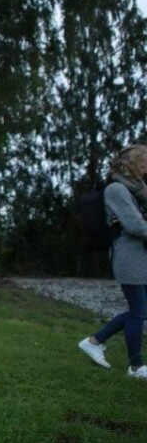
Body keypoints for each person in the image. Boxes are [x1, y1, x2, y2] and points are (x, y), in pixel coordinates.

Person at [78, 145, 147, 379]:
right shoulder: (117, 189)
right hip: (129, 257)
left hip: (140, 256)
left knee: (141, 310)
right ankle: (136, 367)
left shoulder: (137, 191)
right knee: (139, 311)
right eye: (143, 162)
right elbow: (136, 226)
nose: (146, 167)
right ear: (131, 164)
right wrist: (138, 220)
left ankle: (94, 341)